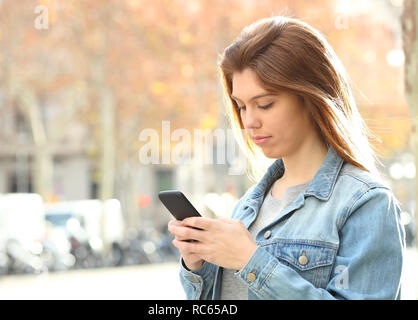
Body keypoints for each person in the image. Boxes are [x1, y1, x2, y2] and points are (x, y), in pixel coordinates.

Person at [167, 16, 405, 300]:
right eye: (241, 106)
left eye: (265, 104)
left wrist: (249, 260)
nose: (249, 121)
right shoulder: (247, 207)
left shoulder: (365, 203)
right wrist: (198, 266)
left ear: (310, 98)